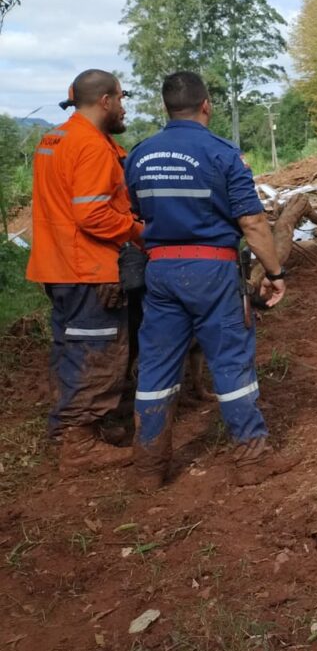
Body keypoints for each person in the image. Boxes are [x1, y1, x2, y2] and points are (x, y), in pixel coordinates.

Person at [124, 72, 294, 491]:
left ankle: (148, 468)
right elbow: (253, 222)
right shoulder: (222, 154)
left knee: (157, 366)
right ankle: (251, 459)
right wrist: (274, 273)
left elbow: (136, 215)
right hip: (212, 272)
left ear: (166, 107)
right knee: (231, 360)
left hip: (160, 272)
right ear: (207, 105)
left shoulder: (139, 156)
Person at [26, 70, 143, 474]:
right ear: (106, 100)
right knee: (98, 354)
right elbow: (92, 213)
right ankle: (77, 444)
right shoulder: (91, 146)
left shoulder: (53, 138)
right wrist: (138, 233)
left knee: (69, 348)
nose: (124, 107)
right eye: (122, 99)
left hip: (56, 263)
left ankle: (72, 431)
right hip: (88, 269)